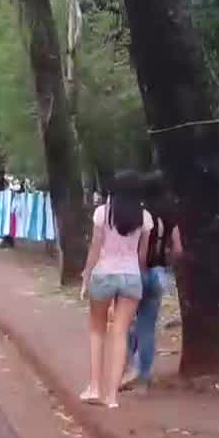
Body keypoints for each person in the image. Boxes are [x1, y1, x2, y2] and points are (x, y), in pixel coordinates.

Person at [80, 173, 151, 410]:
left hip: (104, 273)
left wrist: (86, 275)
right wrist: (138, 274)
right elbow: (142, 255)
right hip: (131, 277)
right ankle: (112, 396)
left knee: (97, 330)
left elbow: (95, 248)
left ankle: (94, 387)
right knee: (120, 333)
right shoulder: (145, 218)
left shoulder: (102, 213)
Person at [122, 176, 184, 392]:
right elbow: (178, 249)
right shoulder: (170, 216)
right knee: (147, 327)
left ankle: (127, 369)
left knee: (126, 324)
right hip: (158, 274)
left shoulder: (138, 216)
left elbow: (137, 252)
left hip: (137, 273)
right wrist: (166, 263)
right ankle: (144, 377)